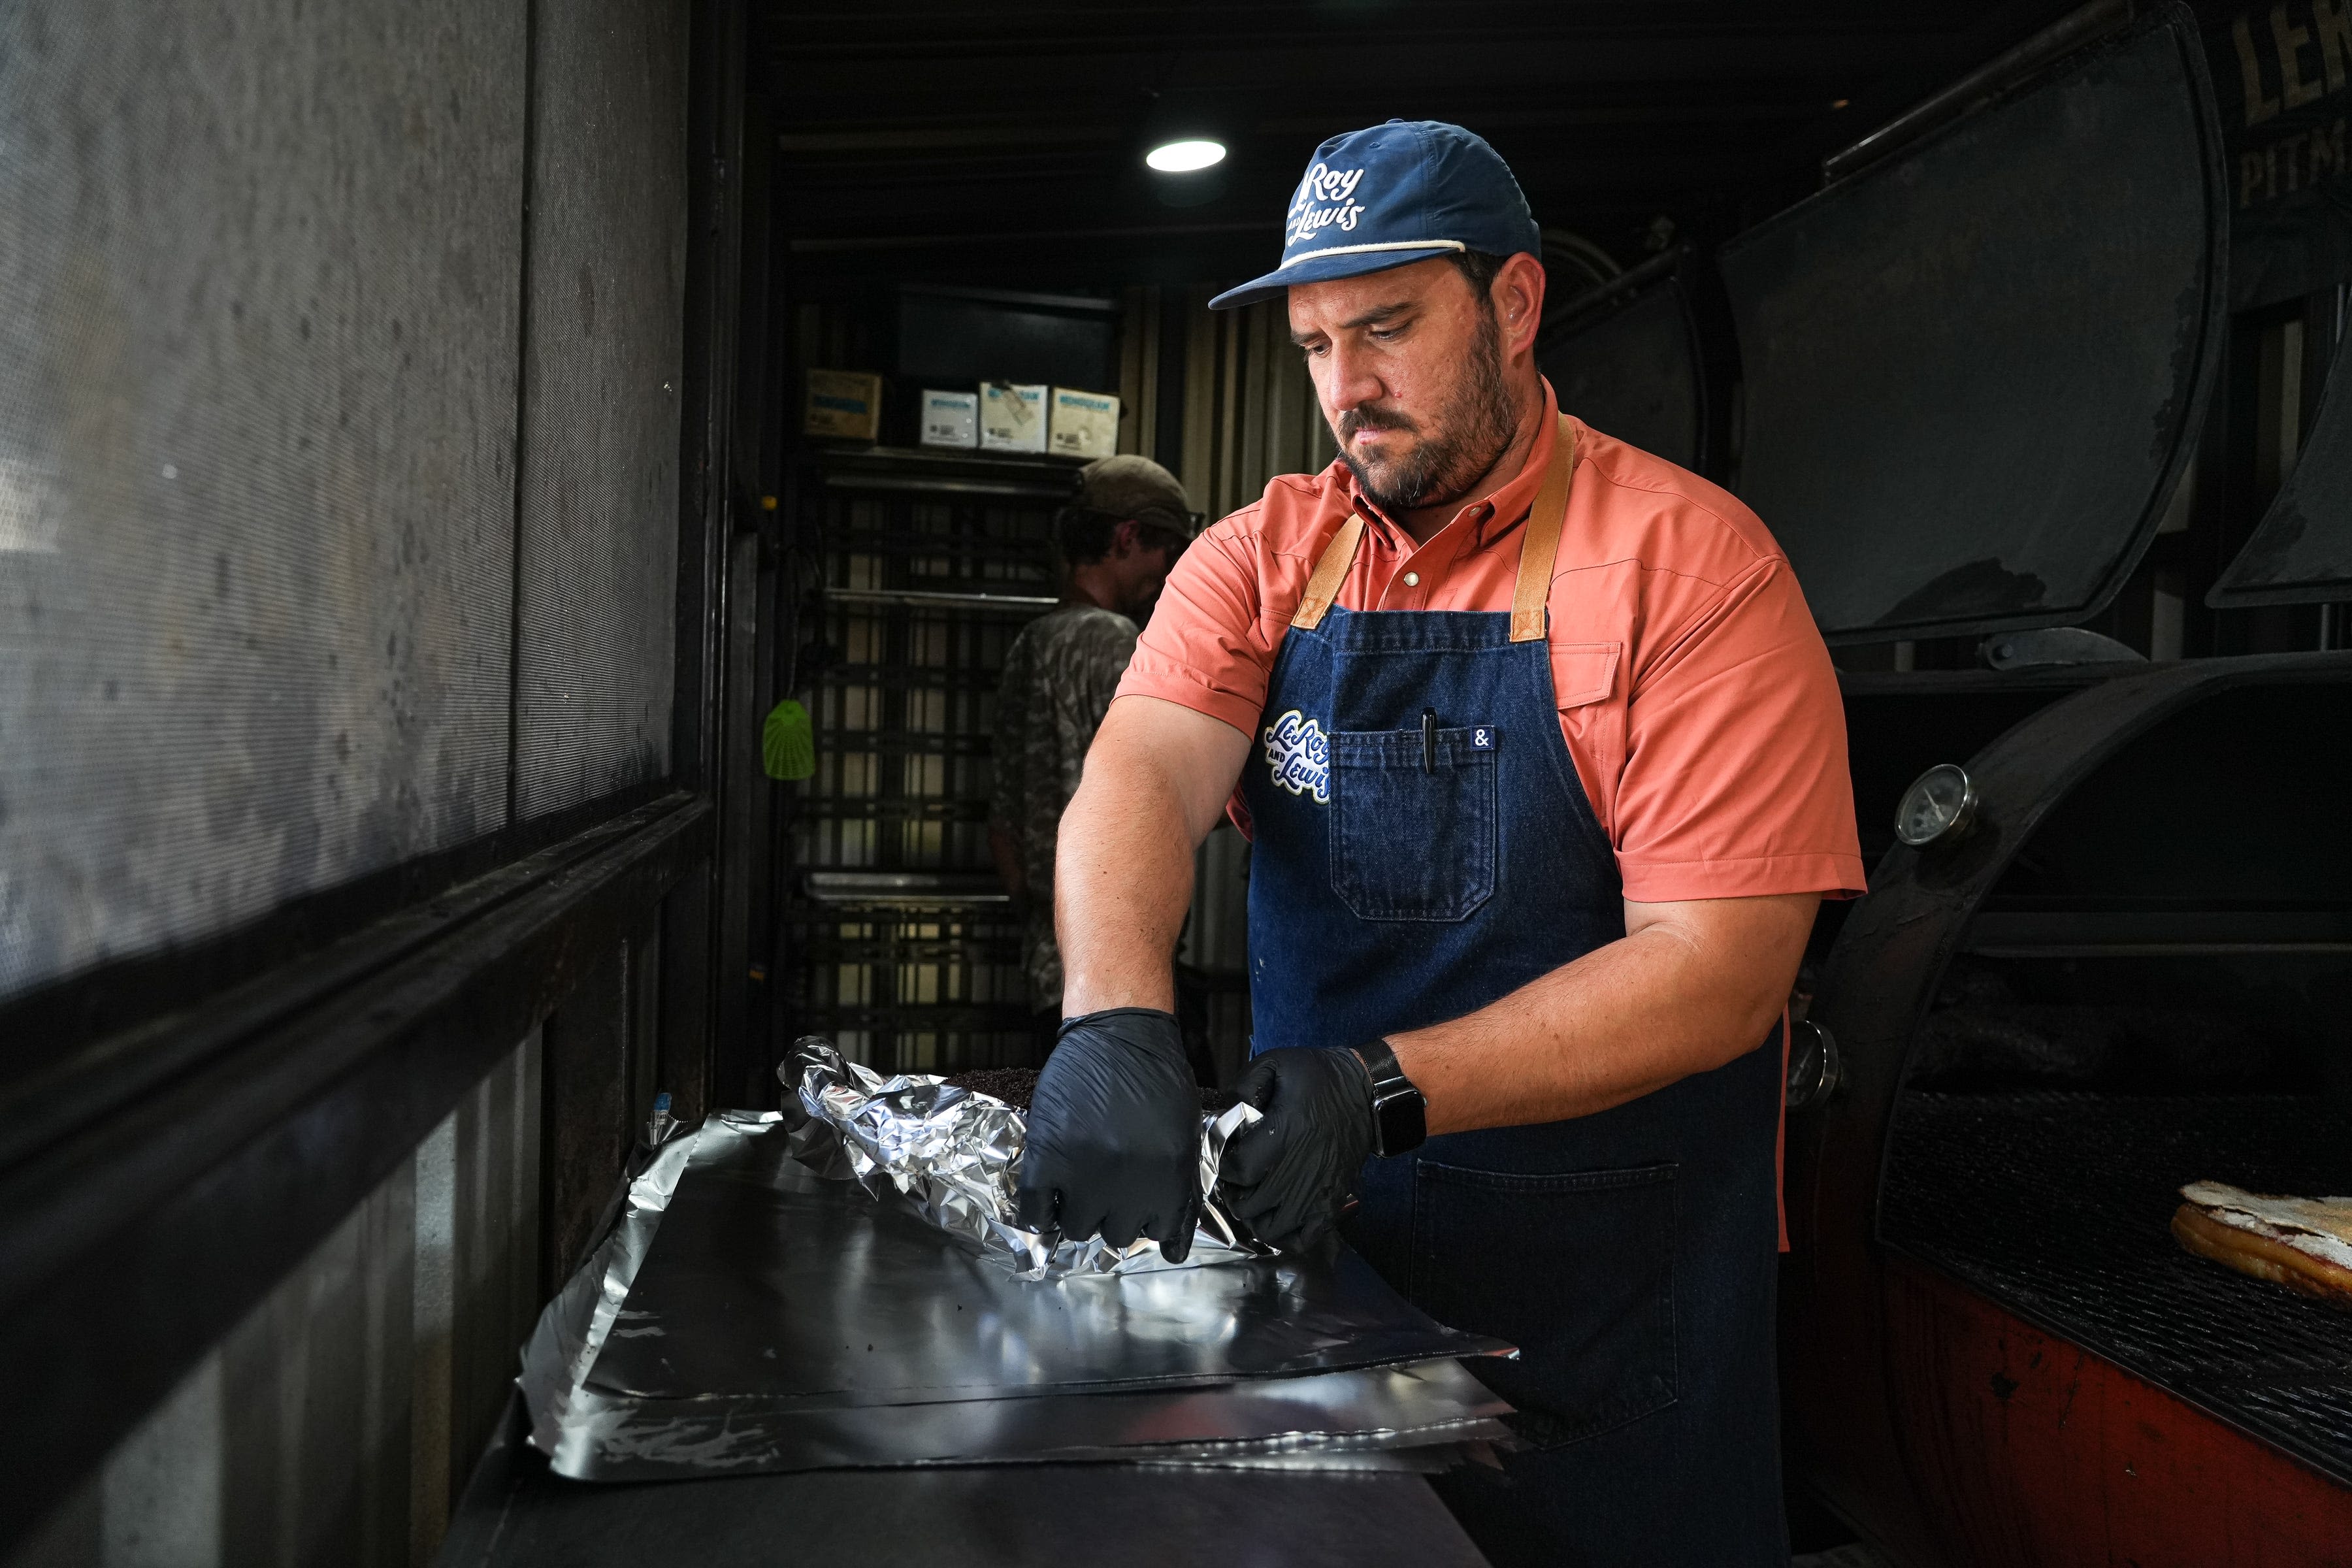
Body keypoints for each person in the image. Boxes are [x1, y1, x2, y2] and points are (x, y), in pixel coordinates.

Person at [1016, 120, 1864, 1566]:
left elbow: (1720, 964)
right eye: (1315, 344)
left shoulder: (1692, 570)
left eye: (1389, 328)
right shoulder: (1259, 558)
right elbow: (1144, 775)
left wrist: (1384, 1088)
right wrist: (1111, 1020)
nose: (1348, 388)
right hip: (1322, 1274)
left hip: (1608, 1320)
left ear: (1516, 306)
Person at [987, 454, 1197, 1045]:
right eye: (1165, 552)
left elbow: (1002, 827)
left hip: (1048, 968)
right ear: (1127, 538)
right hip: (1115, 974)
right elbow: (1163, 788)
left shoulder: (1032, 642)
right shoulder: (1110, 640)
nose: (1165, 573)